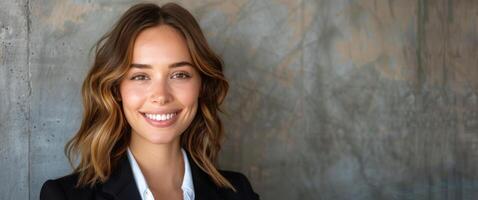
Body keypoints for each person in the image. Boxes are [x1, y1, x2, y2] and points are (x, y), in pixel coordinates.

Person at [40, 2, 259, 200]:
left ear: (202, 85)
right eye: (140, 77)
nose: (161, 96)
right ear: (116, 89)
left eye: (179, 74)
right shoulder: (65, 196)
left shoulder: (238, 193)